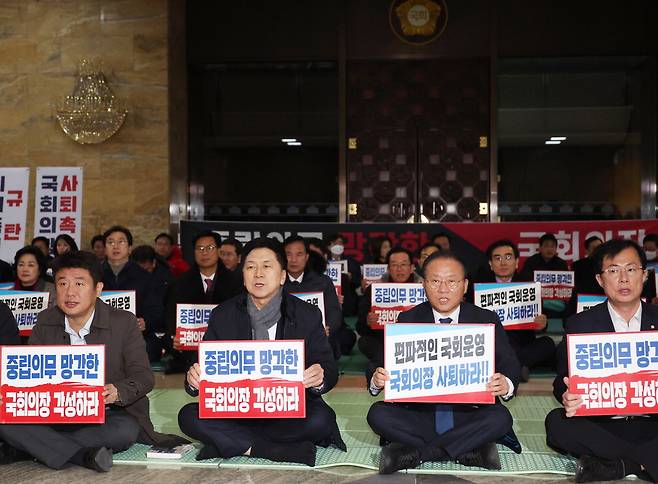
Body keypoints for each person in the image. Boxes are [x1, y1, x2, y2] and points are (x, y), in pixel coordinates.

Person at [0, 251, 187, 472]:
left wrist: (117, 391)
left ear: (97, 288)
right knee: (5, 416)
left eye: (79, 283)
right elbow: (29, 376)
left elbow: (144, 377)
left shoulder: (123, 322)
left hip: (107, 414)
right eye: (62, 283)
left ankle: (31, 448)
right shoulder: (45, 320)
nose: (70, 292)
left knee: (124, 430)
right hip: (54, 416)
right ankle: (80, 455)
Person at [177, 237, 345, 466]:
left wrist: (319, 377)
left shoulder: (307, 314)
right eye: (250, 266)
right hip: (237, 411)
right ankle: (270, 449)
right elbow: (201, 366)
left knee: (321, 420)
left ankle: (231, 443)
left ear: (283, 275)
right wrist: (193, 378)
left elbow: (328, 367)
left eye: (267, 266)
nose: (258, 273)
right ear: (242, 274)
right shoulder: (223, 314)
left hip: (289, 412)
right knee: (188, 416)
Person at [366, 251, 521, 474]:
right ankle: (467, 450)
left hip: (468, 414)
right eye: (435, 281)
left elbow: (510, 363)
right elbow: (377, 362)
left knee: (501, 418)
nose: (443, 289)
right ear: (423, 285)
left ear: (465, 285)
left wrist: (505, 383)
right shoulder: (408, 319)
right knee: (377, 414)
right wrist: (377, 378)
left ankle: (418, 453)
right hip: (420, 415)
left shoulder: (485, 319)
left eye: (452, 281)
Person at [545, 239, 658, 483]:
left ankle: (620, 465)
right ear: (600, 280)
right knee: (556, 423)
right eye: (614, 271)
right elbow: (561, 380)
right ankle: (642, 462)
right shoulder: (580, 324)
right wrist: (566, 393)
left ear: (645, 275)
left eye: (631, 269)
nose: (624, 279)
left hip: (652, 422)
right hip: (602, 423)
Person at [469, 240, 554, 382]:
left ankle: (511, 368)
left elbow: (541, 323)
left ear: (516, 262)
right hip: (491, 344)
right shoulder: (478, 287)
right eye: (497, 258)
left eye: (508, 257)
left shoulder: (529, 286)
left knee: (547, 343)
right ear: (490, 264)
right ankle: (518, 368)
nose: (503, 263)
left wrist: (541, 324)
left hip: (522, 344)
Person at [163, 231, 243, 373]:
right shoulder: (180, 284)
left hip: (227, 354)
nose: (204, 253)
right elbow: (170, 318)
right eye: (199, 248)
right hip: (188, 356)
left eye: (210, 248)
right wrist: (173, 339)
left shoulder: (237, 283)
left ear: (219, 251)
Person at [101, 226, 165, 362]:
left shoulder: (145, 277)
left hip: (135, 334)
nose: (115, 246)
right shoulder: (93, 275)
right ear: (105, 249)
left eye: (121, 242)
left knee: (150, 349)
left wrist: (145, 321)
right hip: (100, 334)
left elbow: (157, 310)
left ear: (130, 248)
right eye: (110, 242)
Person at [356, 247, 416, 362]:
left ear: (412, 268)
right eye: (394, 265)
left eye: (404, 264)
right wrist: (367, 322)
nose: (399, 269)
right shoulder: (374, 290)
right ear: (388, 268)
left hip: (414, 340)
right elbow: (360, 326)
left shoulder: (424, 290)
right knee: (365, 342)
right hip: (383, 340)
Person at [283, 236, 343, 346]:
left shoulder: (323, 282)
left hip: (319, 337)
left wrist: (328, 327)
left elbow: (334, 311)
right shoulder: (275, 283)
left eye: (299, 254)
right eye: (288, 254)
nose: (293, 260)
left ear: (306, 257)